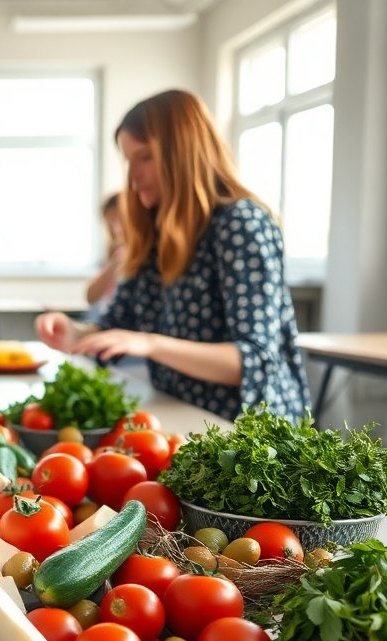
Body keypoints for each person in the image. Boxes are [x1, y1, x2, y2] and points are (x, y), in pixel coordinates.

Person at [36, 89, 310, 422]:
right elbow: (118, 325)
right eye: (128, 160)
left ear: (184, 152)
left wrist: (151, 344)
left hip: (252, 437)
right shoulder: (155, 233)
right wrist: (76, 333)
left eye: (145, 157)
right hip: (189, 421)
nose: (133, 176)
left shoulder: (241, 224)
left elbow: (253, 360)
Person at [85, 192, 127, 307]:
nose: (116, 229)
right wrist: (113, 263)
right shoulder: (117, 253)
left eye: (118, 220)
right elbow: (90, 296)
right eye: (111, 223)